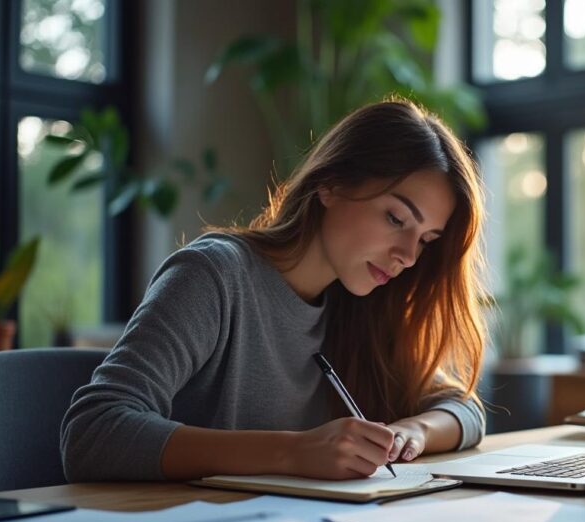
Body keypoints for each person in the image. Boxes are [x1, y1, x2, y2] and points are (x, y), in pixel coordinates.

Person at [61, 99, 488, 481]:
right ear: (332, 184)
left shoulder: (363, 305)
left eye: (426, 240)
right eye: (396, 219)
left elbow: (465, 411)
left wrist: (410, 432)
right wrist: (295, 452)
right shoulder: (214, 275)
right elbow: (94, 431)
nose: (408, 257)